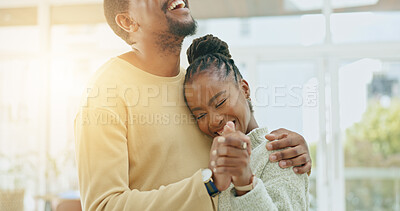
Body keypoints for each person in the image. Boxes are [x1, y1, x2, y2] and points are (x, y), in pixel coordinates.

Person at [74, 0, 312, 210]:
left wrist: (289, 150)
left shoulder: (195, 86)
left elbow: (244, 143)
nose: (212, 118)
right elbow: (104, 207)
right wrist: (207, 184)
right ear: (128, 21)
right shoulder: (104, 94)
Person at [183, 34, 309, 210]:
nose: (214, 120)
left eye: (220, 103)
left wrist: (245, 184)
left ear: (244, 89)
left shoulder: (280, 154)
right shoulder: (212, 162)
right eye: (200, 115)